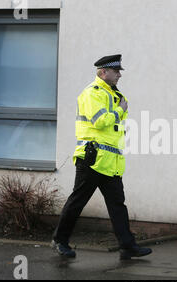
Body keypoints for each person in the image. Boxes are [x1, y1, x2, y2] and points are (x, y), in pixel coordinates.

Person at [52, 54, 152, 259]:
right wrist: (119, 110)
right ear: (103, 72)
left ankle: (127, 246)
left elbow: (114, 126)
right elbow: (100, 121)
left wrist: (119, 107)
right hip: (91, 159)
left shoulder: (112, 94)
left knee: (117, 205)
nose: (119, 75)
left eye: (119, 72)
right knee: (77, 202)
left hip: (109, 162)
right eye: (116, 72)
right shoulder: (92, 93)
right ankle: (60, 240)